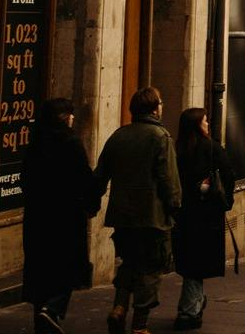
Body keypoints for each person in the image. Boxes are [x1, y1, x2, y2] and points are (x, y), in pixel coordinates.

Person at [92, 86, 182, 334]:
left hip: (122, 216)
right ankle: (140, 325)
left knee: (129, 263)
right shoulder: (160, 137)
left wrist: (91, 202)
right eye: (161, 103)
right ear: (154, 108)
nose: (162, 106)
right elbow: (168, 180)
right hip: (152, 218)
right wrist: (176, 209)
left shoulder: (119, 136)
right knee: (151, 269)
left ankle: (119, 308)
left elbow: (100, 175)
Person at [22, 97, 95, 334]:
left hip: (38, 216)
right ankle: (52, 309)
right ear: (64, 117)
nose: (73, 117)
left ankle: (41, 321)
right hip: (66, 216)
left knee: (41, 269)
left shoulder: (35, 143)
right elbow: (84, 177)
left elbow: (25, 179)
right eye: (70, 114)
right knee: (68, 268)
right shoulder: (71, 142)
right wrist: (91, 204)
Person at [172, 107, 236, 331]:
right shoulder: (211, 148)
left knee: (191, 265)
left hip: (183, 217)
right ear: (198, 125)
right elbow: (228, 175)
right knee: (195, 267)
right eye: (205, 121)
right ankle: (188, 312)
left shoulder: (177, 150)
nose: (208, 125)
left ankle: (194, 307)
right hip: (207, 216)